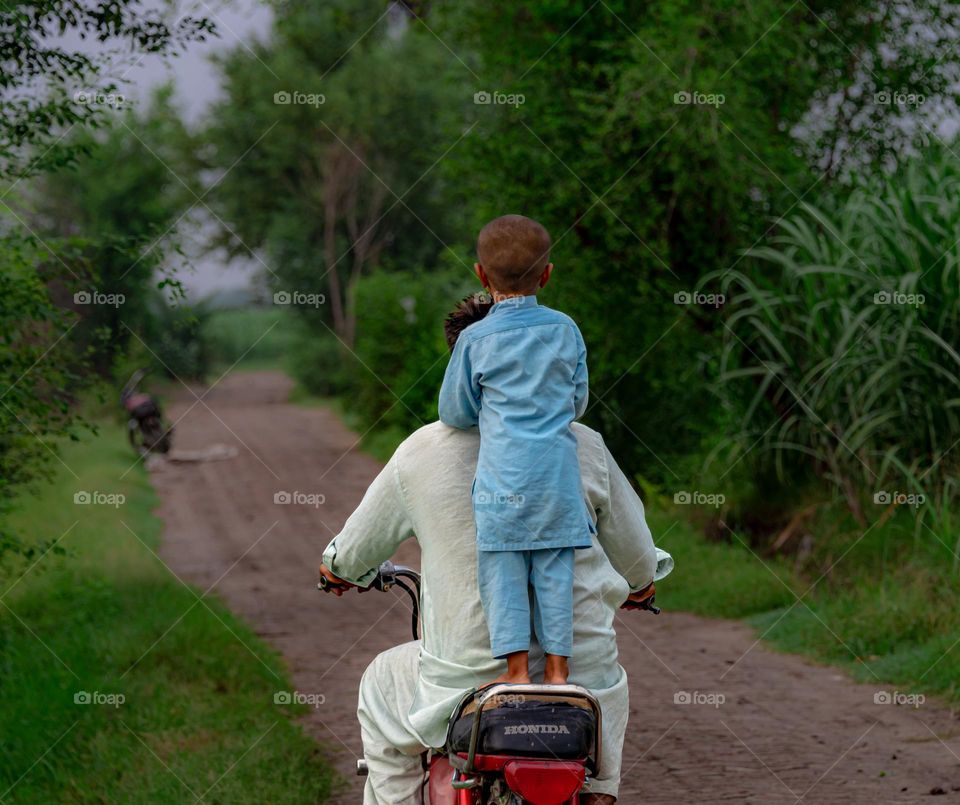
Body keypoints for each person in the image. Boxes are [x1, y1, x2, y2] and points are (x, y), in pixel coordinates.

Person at [319, 297, 674, 803]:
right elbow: (637, 558)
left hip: (468, 684)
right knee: (602, 707)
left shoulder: (420, 452)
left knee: (380, 684)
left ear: (462, 364)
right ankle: (597, 790)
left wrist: (336, 569)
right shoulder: (583, 444)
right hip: (579, 682)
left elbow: (352, 554)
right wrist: (641, 585)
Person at [438, 214, 590, 686]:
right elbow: (578, 401)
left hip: (502, 488)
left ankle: (518, 670)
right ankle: (560, 672)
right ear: (547, 274)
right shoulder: (566, 329)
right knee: (554, 573)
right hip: (558, 483)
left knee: (502, 574)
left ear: (481, 277)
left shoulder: (474, 339)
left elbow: (455, 412)